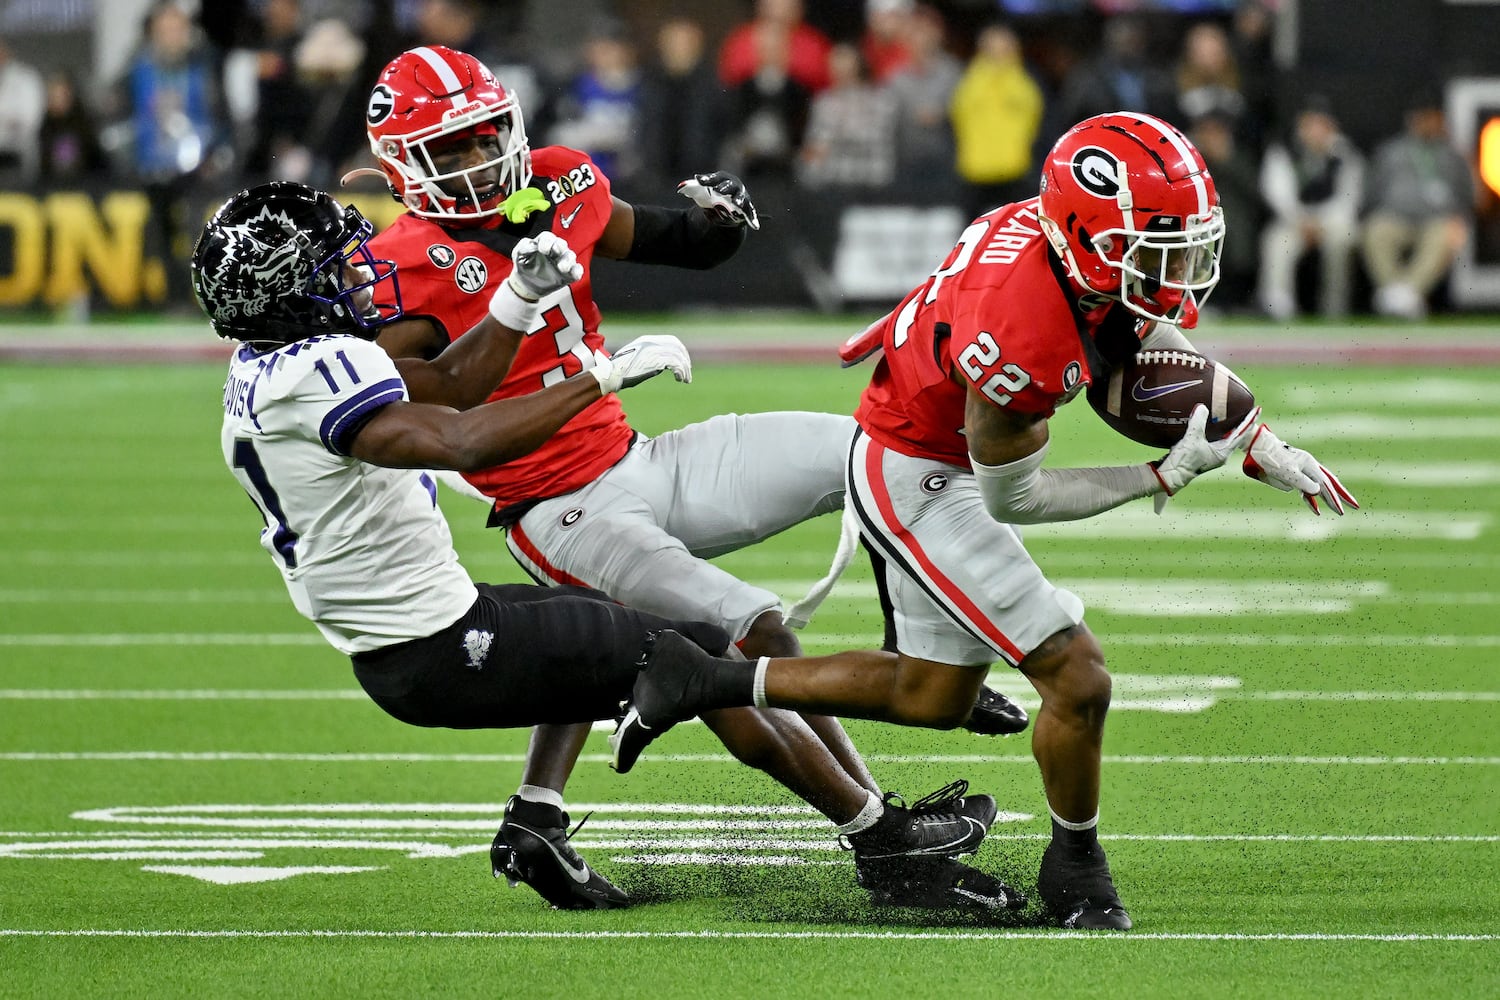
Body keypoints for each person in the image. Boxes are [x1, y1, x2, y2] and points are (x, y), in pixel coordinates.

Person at [612, 112, 1359, 931]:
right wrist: (1156, 473)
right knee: (1079, 678)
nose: (1178, 270)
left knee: (931, 694)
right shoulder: (1024, 329)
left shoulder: (1061, 245)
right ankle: (1076, 869)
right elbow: (1016, 498)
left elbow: (1139, 327)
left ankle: (702, 679)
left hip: (931, 438)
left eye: (1183, 244)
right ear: (1087, 237)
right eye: (1156, 249)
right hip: (921, 471)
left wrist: (1255, 438)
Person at [194, 180, 1010, 913]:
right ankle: (881, 840)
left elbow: (445, 385)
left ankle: (534, 821)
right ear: (286, 291)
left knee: (592, 627)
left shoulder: (272, 368)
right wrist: (601, 377)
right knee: (693, 659)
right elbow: (465, 439)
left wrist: (515, 299)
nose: (354, 276)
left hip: (419, 636)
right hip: (434, 646)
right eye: (330, 268)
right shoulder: (313, 377)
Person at [355, 45, 1026, 913]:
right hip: (558, 511)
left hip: (636, 458)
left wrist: (719, 219)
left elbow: (675, 242)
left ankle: (923, 652)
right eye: (451, 150)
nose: (480, 159)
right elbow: (430, 405)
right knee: (747, 631)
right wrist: (559, 349)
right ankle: (877, 836)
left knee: (873, 452)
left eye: (486, 134)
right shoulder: (401, 264)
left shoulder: (561, 181)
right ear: (404, 169)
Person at [1360, 94, 1476, 320]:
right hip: (1397, 218)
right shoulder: (1391, 151)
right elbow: (1372, 190)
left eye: (1431, 118)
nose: (1426, 123)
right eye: (1421, 118)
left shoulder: (1453, 155)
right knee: (1375, 228)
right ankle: (1397, 293)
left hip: (1436, 221)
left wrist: (1458, 216)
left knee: (1449, 231)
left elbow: (1468, 196)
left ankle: (1406, 294)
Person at [1256, 96, 1365, 320]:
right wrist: (1302, 220)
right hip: (1294, 222)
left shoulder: (1345, 155)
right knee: (1276, 242)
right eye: (1310, 125)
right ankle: (1278, 304)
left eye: (1321, 125)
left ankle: (1334, 308)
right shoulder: (1284, 151)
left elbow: (1349, 199)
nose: (1315, 131)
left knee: (1343, 240)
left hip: (1331, 223)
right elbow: (1277, 193)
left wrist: (1321, 222)